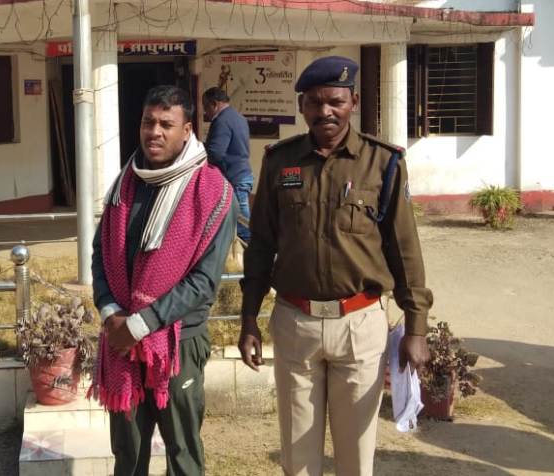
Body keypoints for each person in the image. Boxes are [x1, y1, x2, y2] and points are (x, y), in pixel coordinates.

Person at [238, 56, 433, 475]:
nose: (325, 111)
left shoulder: (383, 163)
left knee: (355, 459)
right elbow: (261, 246)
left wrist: (416, 327)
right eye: (314, 102)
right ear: (302, 106)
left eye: (335, 101)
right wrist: (248, 318)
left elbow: (404, 250)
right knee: (298, 460)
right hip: (296, 323)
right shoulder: (279, 162)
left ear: (353, 102)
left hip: (359, 324)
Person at [89, 85, 237, 476]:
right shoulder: (125, 183)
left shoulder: (213, 192)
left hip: (178, 342)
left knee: (182, 454)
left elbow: (203, 282)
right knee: (127, 453)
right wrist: (109, 311)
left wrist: (140, 325)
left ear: (187, 130)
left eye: (166, 124)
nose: (154, 132)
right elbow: (100, 252)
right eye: (148, 122)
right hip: (121, 340)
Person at [202, 87, 253, 243]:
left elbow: (215, 153)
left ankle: (252, 255)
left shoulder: (221, 121)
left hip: (233, 178)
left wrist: (199, 150)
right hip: (242, 174)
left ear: (214, 104)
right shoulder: (239, 117)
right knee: (241, 221)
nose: (206, 113)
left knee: (242, 226)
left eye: (206, 107)